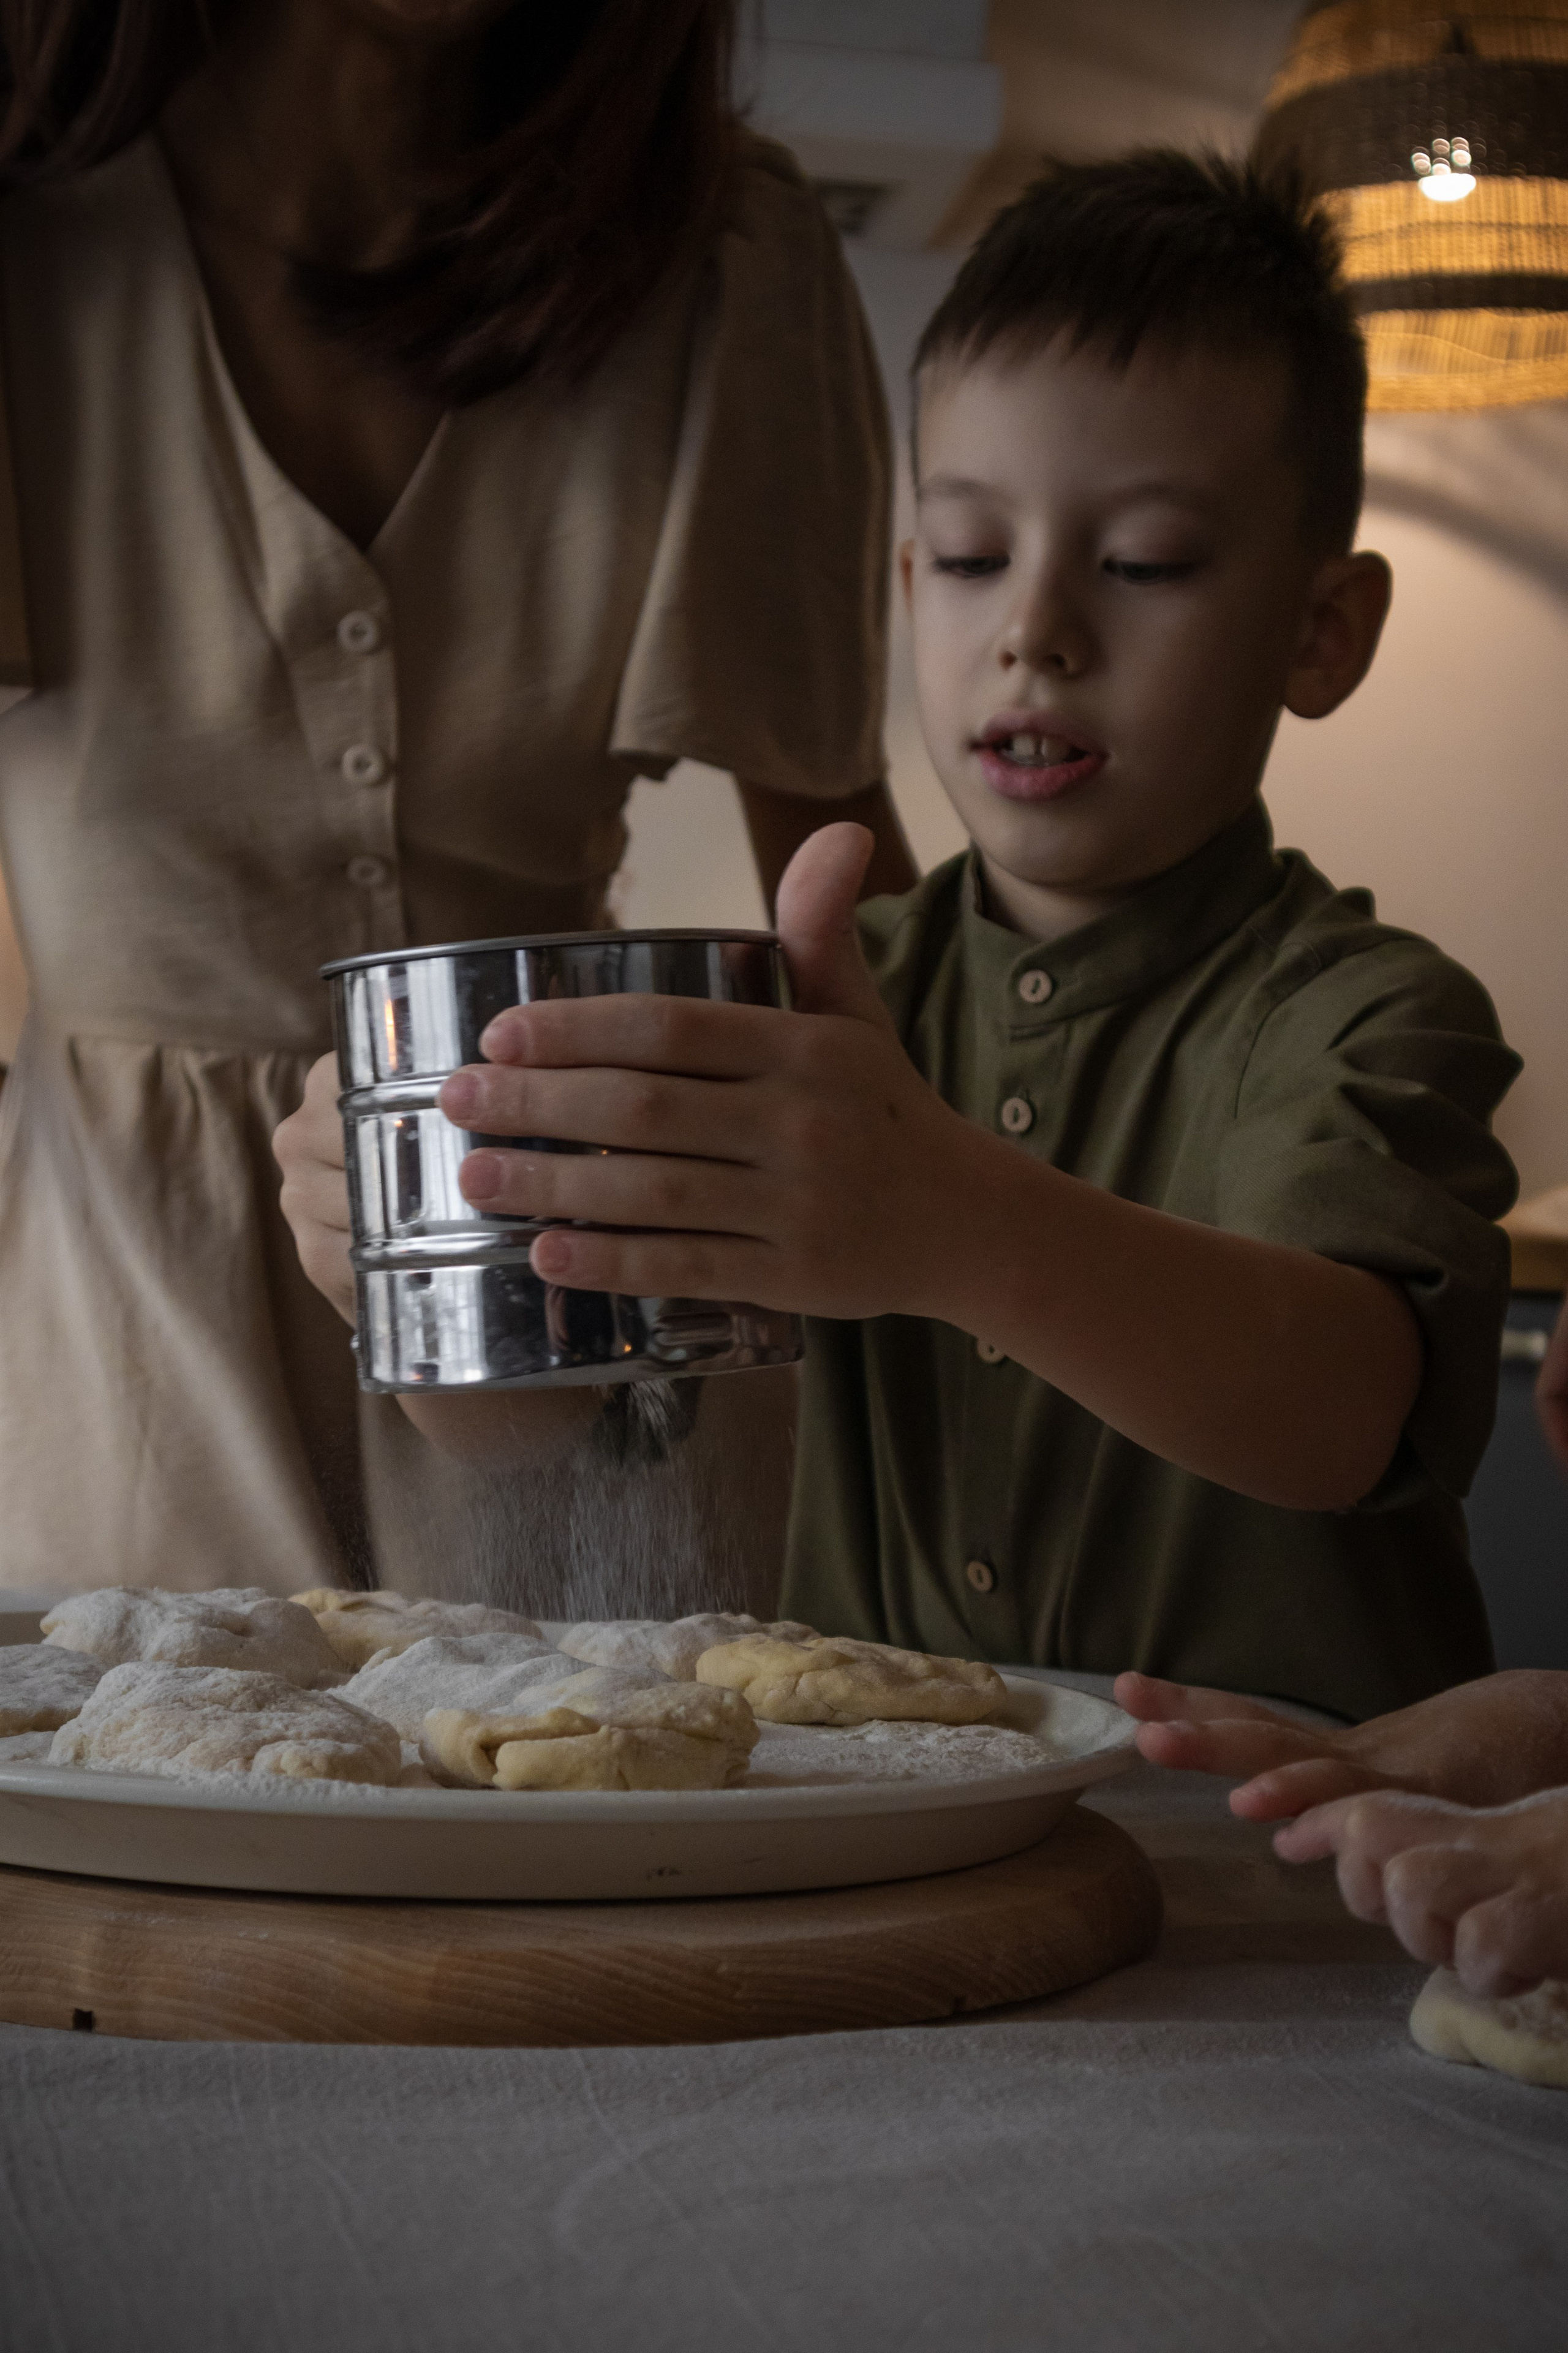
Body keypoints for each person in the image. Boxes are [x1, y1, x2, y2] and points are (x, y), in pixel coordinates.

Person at [277, 149, 1521, 1720]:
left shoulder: (1371, 1011)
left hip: (1297, 1840)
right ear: (908, 584)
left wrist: (949, 1223)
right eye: (975, 559)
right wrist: (410, 1255)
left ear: (1320, 631)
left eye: (1142, 562)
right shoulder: (809, 1008)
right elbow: (558, 1431)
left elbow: (1340, 1412)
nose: (1034, 631)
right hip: (911, 1826)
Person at [0, 0, 914, 1596]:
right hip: (104, 1378)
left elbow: (855, 909)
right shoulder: (22, 240)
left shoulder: (723, 259)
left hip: (569, 1346)